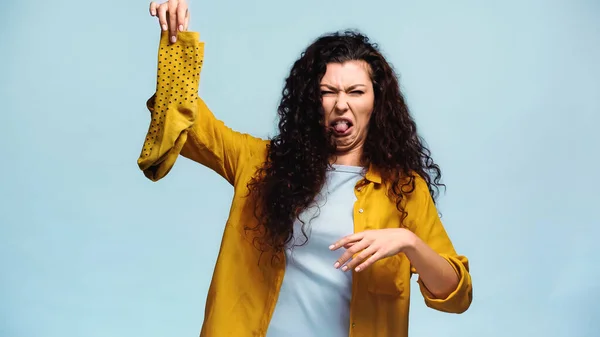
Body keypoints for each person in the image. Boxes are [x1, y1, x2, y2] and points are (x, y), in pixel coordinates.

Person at [138, 1, 473, 336]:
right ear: (312, 101)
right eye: (328, 92)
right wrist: (175, 41)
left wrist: (408, 241)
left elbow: (455, 295)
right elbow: (189, 123)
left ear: (377, 102)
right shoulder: (260, 163)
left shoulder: (404, 190)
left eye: (356, 92)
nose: (342, 103)